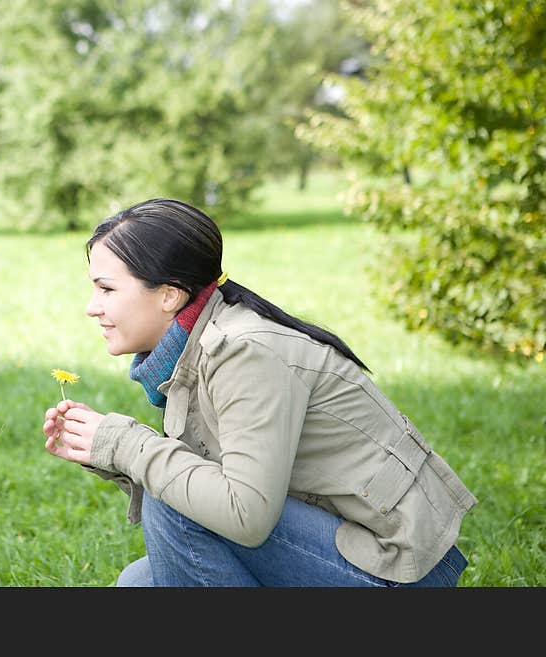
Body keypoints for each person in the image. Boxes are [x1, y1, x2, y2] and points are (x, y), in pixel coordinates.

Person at [42, 198, 477, 587]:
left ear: (170, 295)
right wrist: (107, 453)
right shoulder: (198, 346)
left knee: (172, 502)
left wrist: (129, 446)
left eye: (106, 288)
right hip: (340, 543)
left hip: (396, 568)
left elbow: (244, 515)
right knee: (139, 583)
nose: (91, 305)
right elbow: (211, 480)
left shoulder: (245, 352)